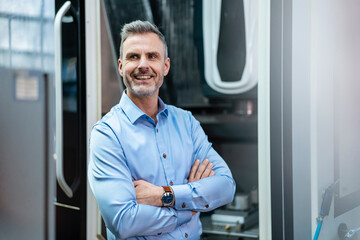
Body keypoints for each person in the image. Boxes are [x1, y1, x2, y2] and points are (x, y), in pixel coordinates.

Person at [88, 20, 235, 240]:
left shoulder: (185, 122)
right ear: (120, 66)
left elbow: (225, 185)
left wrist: (163, 195)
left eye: (152, 56)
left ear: (165, 66)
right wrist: (190, 206)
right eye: (133, 57)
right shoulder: (107, 134)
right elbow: (123, 221)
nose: (143, 65)